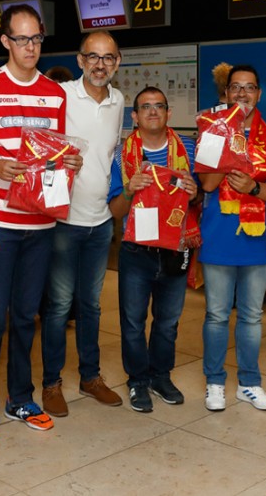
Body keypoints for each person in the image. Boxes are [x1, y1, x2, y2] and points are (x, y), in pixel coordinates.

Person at [0, 4, 80, 449]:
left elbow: (58, 152)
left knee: (27, 315)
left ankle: (21, 398)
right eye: (21, 39)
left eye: (36, 39)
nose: (30, 48)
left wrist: (72, 161)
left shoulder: (55, 93)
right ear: (5, 41)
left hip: (39, 221)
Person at [198, 65, 266, 412]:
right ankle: (214, 383)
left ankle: (249, 384)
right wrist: (226, 142)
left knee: (252, 316)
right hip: (218, 235)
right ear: (225, 94)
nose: (242, 94)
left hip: (256, 239)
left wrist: (253, 187)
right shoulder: (210, 133)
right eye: (235, 88)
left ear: (258, 94)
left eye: (249, 88)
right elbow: (207, 184)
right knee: (217, 315)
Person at [40, 30, 125, 417]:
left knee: (90, 306)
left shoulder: (119, 101)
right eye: (93, 56)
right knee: (58, 307)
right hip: (63, 220)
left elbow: (108, 158)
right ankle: (51, 383)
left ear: (117, 62)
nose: (100, 64)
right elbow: (37, 144)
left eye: (108, 58)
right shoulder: (59, 95)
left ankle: (90, 377)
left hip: (101, 221)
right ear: (80, 60)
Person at [108, 86, 198, 413]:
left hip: (175, 248)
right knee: (133, 322)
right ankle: (137, 381)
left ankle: (161, 376)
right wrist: (130, 190)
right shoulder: (121, 153)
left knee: (168, 322)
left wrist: (194, 191)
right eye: (145, 107)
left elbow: (202, 195)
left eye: (159, 106)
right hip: (136, 251)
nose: (153, 112)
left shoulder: (187, 147)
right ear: (134, 116)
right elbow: (114, 211)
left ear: (169, 113)